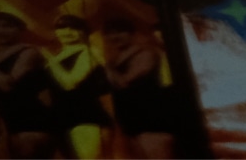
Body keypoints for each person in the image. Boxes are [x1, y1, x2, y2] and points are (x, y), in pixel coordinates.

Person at [0, 12, 55, 158]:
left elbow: (7, 84)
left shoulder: (29, 52)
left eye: (7, 26)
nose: (0, 30)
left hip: (32, 122)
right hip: (12, 124)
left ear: (20, 30)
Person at [102, 19, 176, 158]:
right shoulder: (114, 61)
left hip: (153, 124)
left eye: (121, 32)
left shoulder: (146, 53)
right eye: (110, 33)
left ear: (132, 34)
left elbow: (125, 82)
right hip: (132, 126)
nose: (115, 37)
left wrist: (108, 68)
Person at [47, 16, 111, 160]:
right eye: (62, 28)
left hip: (85, 117)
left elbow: (70, 83)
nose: (67, 32)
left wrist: (49, 60)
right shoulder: (57, 56)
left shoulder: (89, 51)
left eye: (74, 28)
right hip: (62, 120)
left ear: (84, 32)